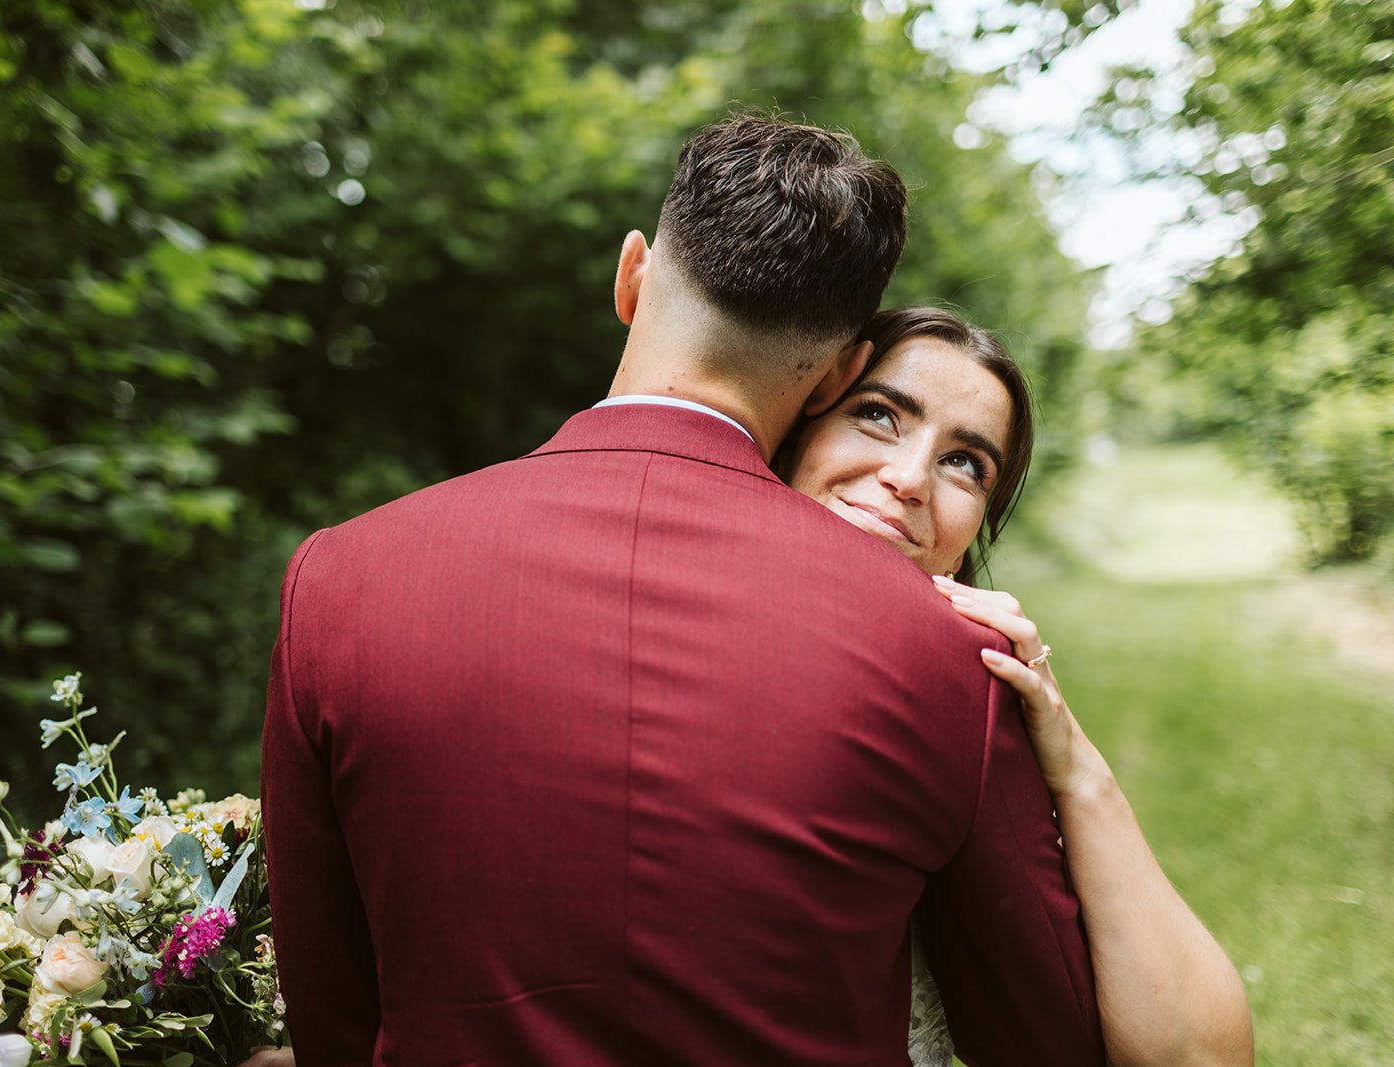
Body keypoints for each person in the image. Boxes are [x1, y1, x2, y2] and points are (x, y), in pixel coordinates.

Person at [261, 113, 1106, 1065]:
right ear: (836, 375)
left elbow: (332, 1018)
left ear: (630, 277)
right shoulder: (947, 650)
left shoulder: (337, 580)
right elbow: (1048, 1038)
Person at [781, 306, 1254, 1066]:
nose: (907, 480)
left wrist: (1072, 762)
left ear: (978, 529)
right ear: (796, 422)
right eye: (876, 414)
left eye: (965, 462)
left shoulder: (957, 702)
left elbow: (1199, 1056)